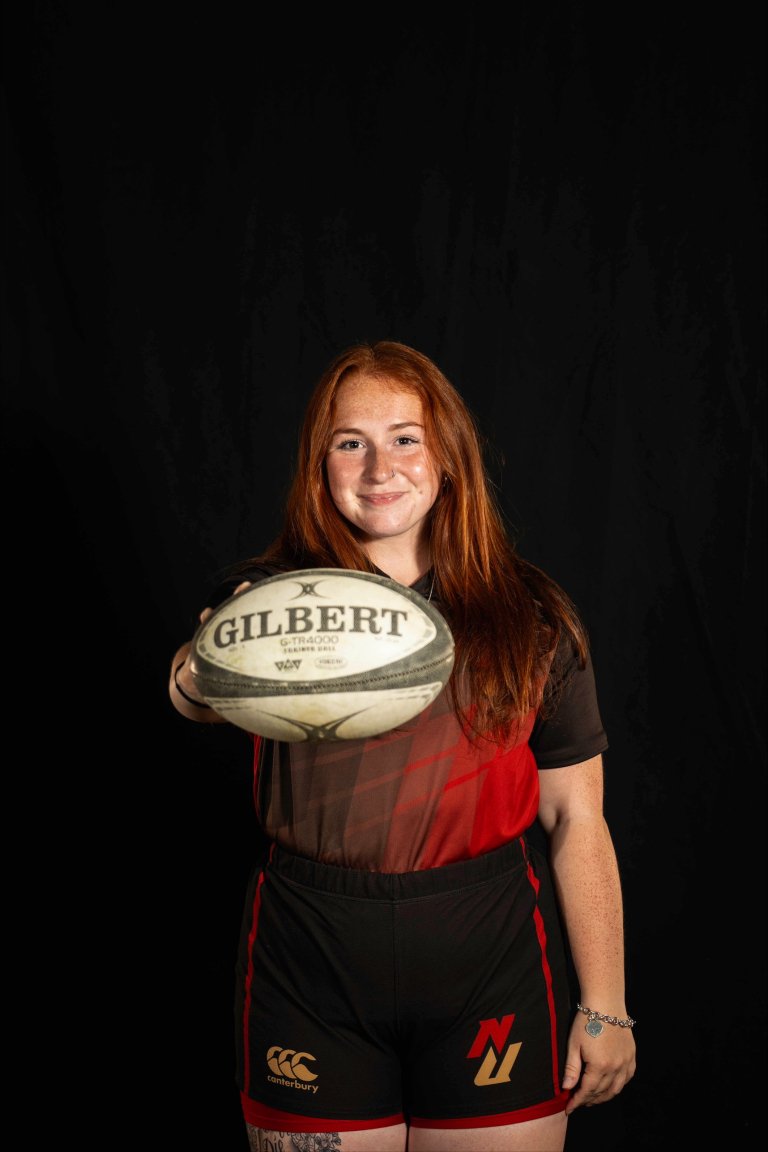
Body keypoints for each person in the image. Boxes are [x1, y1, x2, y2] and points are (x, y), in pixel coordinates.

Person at [169, 340, 636, 1152]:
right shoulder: (268, 603)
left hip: (488, 949)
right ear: (321, 466)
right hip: (310, 953)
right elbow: (187, 697)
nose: (379, 465)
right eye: (350, 442)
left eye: (405, 437)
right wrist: (216, 653)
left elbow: (575, 820)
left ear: (448, 457)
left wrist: (607, 1003)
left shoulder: (530, 617)